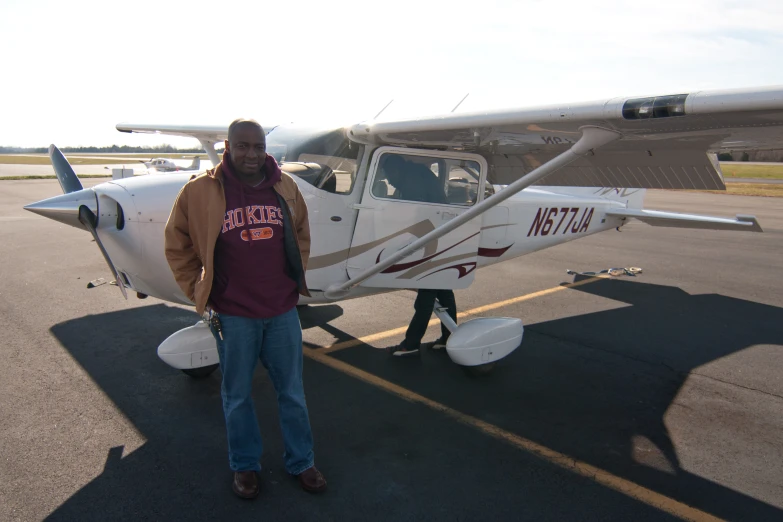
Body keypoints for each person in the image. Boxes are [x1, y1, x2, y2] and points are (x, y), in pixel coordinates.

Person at [164, 119, 326, 499]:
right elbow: (177, 244)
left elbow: (300, 232)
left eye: (258, 146)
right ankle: (245, 465)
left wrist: (292, 279)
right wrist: (199, 291)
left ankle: (302, 461)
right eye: (243, 146)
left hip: (282, 310)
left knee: (292, 393)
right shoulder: (199, 191)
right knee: (236, 395)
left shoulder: (284, 185)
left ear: (265, 148)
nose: (251, 154)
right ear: (228, 147)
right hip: (233, 314)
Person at [380, 155, 458, 356]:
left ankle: (411, 344)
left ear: (396, 169)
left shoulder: (412, 180)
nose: (388, 180)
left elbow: (412, 214)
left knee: (426, 292)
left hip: (431, 237)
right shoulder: (414, 175)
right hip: (437, 233)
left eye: (388, 175)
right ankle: (448, 339)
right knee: (442, 289)